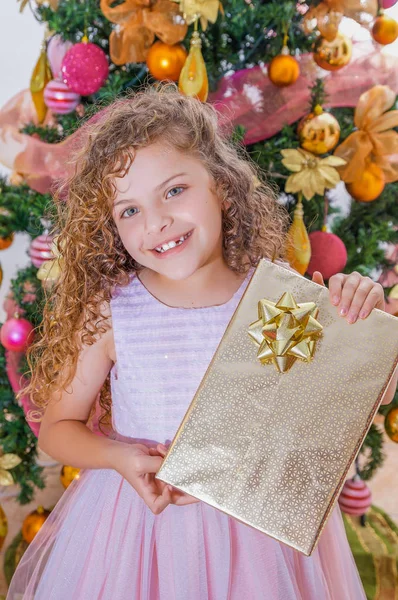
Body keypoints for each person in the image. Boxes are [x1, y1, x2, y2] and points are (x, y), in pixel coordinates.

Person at [7, 85, 396, 600]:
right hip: (142, 533)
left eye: (173, 191)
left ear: (221, 185)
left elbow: (374, 394)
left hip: (264, 538)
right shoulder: (112, 311)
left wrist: (361, 314)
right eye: (128, 211)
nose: (156, 222)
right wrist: (121, 459)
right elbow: (57, 429)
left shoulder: (274, 296)